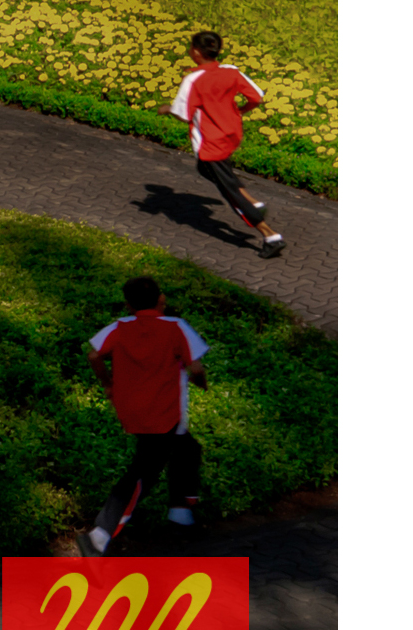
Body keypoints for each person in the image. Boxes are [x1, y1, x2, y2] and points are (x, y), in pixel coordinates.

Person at [81, 276, 209, 555]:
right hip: (163, 413)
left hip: (132, 409)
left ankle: (181, 515)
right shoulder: (176, 327)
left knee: (187, 449)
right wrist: (202, 383)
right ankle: (100, 534)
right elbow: (197, 368)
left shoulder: (120, 327)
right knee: (143, 474)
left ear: (128, 304)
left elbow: (93, 356)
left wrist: (107, 383)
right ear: (160, 298)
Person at [166, 31, 286, 259]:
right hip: (230, 135)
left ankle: (270, 236)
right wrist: (240, 111)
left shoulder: (193, 80)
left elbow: (182, 114)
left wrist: (166, 109)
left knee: (229, 193)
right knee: (206, 170)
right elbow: (257, 97)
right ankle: (254, 202)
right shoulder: (231, 71)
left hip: (210, 143)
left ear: (196, 52)